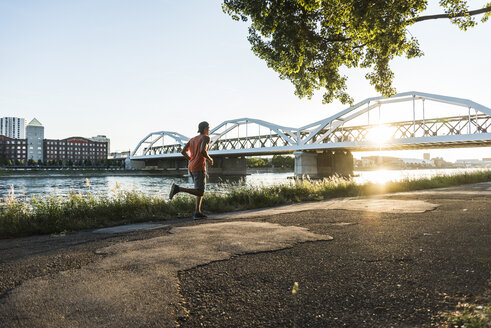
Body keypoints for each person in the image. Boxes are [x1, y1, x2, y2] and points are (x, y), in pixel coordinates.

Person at [169, 121, 213, 220]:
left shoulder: (192, 139)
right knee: (200, 192)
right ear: (205, 128)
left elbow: (183, 151)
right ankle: (178, 189)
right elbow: (202, 151)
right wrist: (210, 158)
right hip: (199, 167)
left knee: (198, 189)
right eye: (208, 128)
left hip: (191, 166)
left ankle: (197, 212)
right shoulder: (206, 137)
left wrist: (191, 159)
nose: (209, 130)